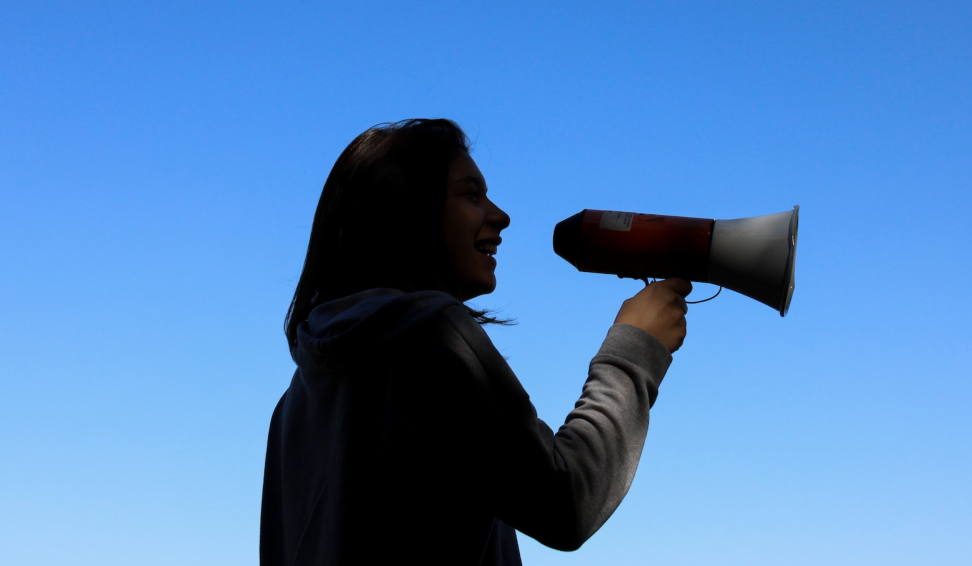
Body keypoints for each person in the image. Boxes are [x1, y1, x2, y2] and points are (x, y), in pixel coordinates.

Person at [260, 119, 691, 565]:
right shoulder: (430, 332)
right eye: (471, 194)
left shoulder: (292, 407)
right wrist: (635, 350)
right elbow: (567, 503)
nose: (500, 216)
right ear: (406, 211)